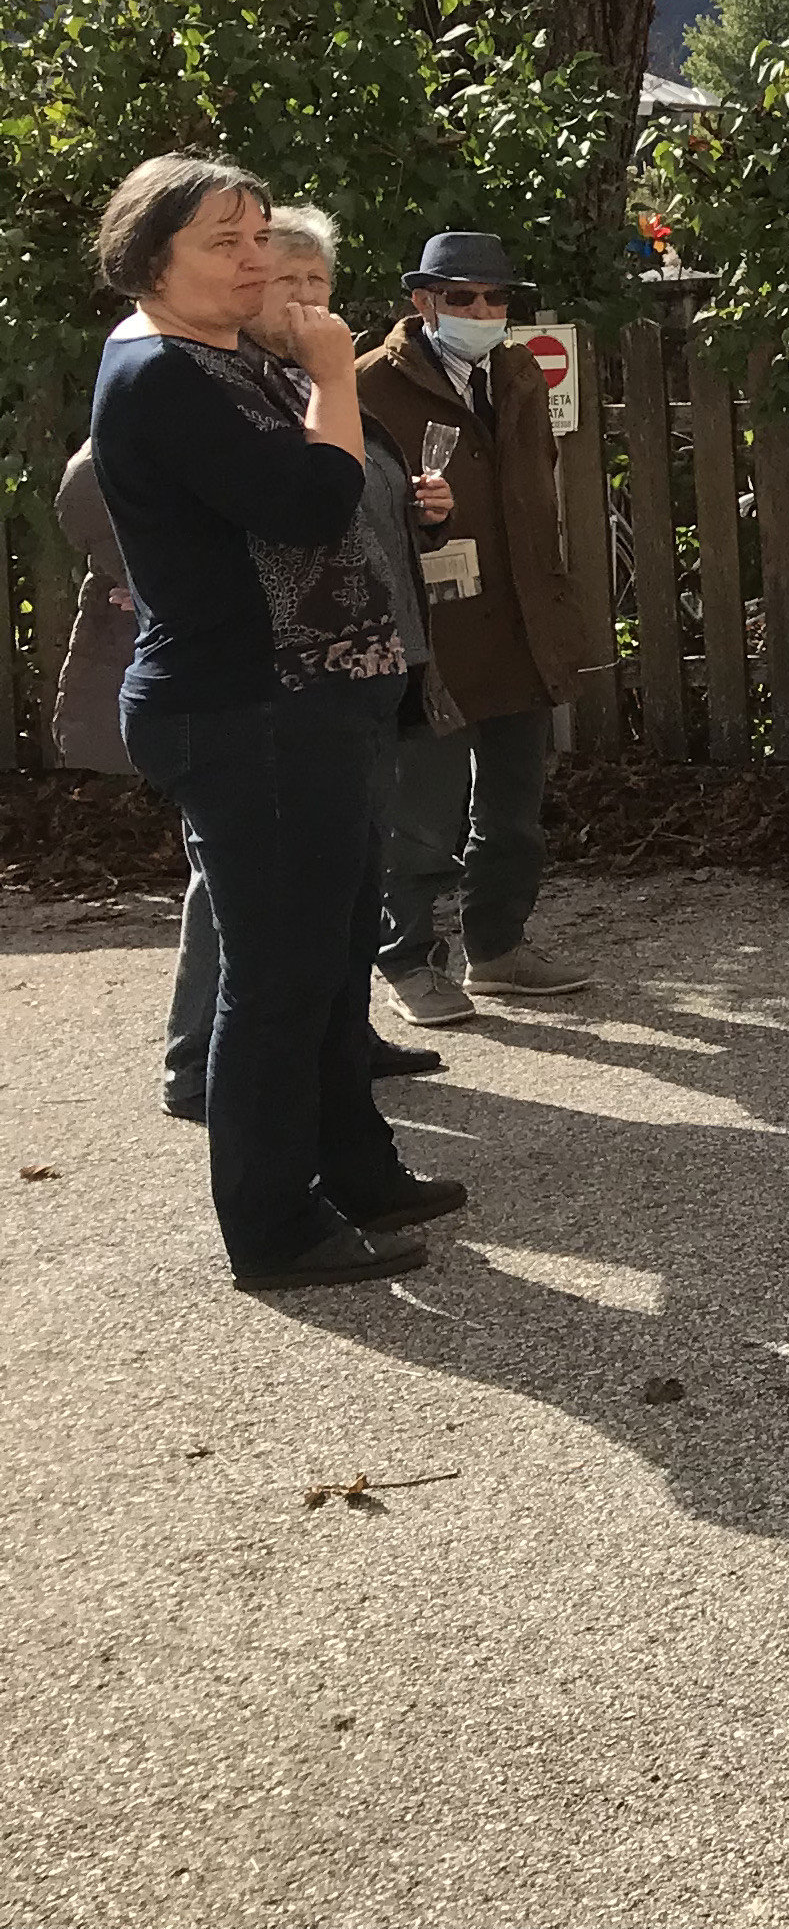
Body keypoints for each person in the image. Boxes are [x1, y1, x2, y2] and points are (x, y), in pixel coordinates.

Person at [87, 156, 464, 1291]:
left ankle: (355, 1164)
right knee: (278, 976)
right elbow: (309, 503)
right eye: (225, 241)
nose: (257, 260)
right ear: (150, 260)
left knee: (336, 949)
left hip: (310, 700)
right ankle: (273, 1226)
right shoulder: (159, 372)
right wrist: (338, 374)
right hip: (247, 710)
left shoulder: (223, 353)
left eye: (260, 235)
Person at [135, 212, 455, 1114]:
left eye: (320, 284)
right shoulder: (223, 385)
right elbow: (121, 496)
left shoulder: (316, 384)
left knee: (344, 877)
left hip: (361, 666)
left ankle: (338, 1038)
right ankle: (198, 1063)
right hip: (269, 687)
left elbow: (361, 500)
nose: (312, 301)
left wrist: (428, 516)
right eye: (289, 284)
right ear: (244, 292)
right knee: (239, 894)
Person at [364, 228, 593, 1020]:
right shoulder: (368, 386)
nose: (485, 310)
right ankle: (409, 961)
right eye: (464, 297)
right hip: (429, 627)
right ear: (423, 301)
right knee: (421, 809)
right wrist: (416, 517)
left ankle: (496, 950)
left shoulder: (519, 371)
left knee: (513, 809)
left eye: (498, 297)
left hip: (522, 619)